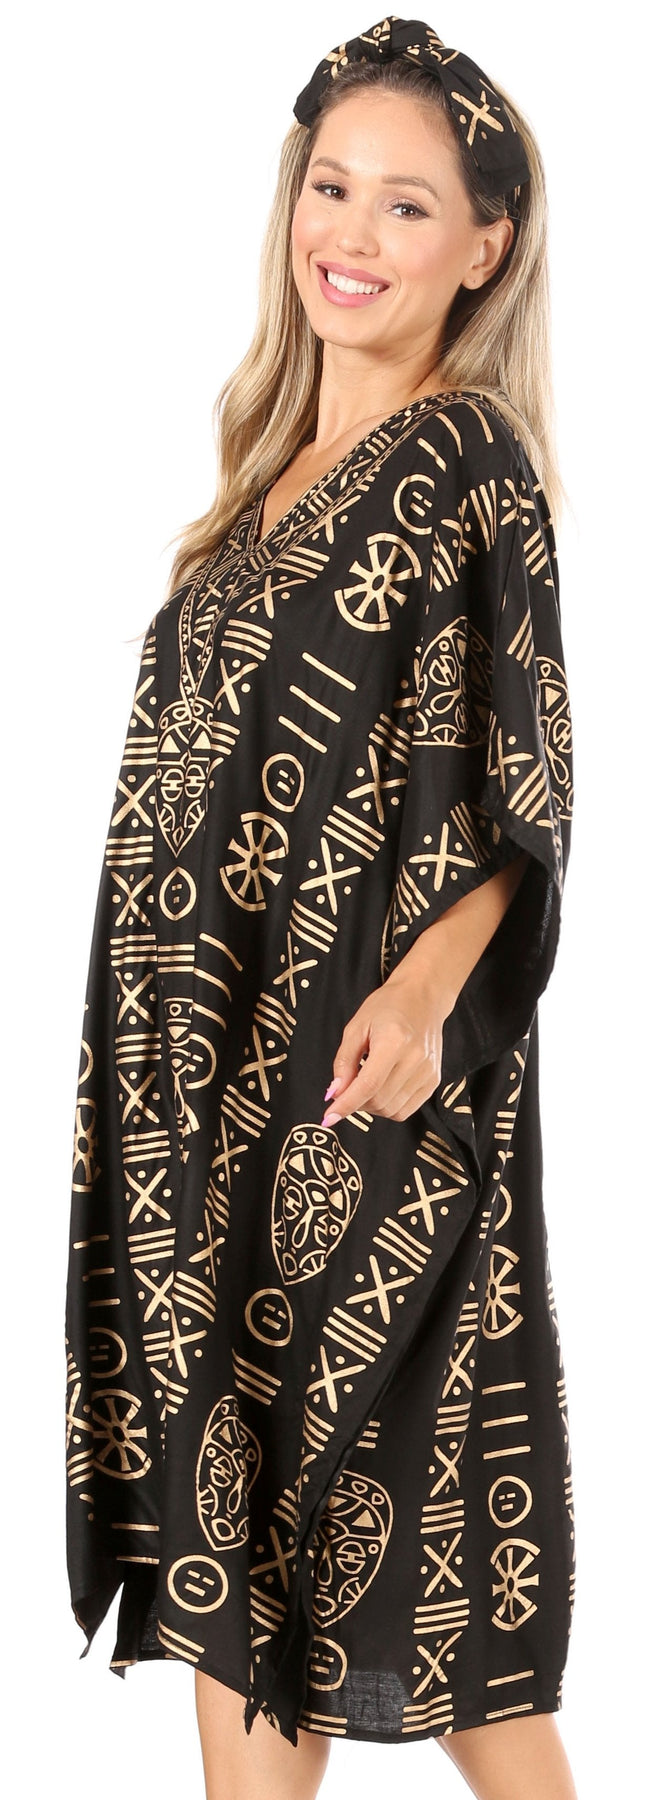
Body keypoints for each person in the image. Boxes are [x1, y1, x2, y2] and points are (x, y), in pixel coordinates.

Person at [64, 16, 578, 1800]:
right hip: (191, 1088)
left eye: (407, 204)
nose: (349, 233)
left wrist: (428, 996)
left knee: (416, 1566)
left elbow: (528, 776)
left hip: (353, 1084)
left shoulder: (468, 460)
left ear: (485, 245)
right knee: (243, 1555)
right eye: (331, 186)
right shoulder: (255, 480)